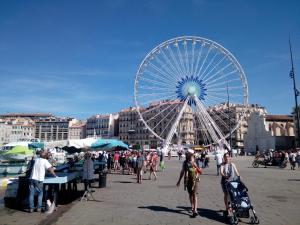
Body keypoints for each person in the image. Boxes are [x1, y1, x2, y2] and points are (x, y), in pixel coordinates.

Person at [177, 150, 202, 218]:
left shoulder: (196, 161)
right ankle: (192, 206)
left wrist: (196, 166)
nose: (188, 155)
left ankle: (195, 210)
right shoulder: (185, 163)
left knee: (194, 194)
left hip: (195, 180)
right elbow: (182, 172)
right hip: (187, 180)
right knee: (190, 194)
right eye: (187, 154)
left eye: (189, 154)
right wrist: (179, 180)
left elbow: (200, 171)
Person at [220, 153, 240, 217]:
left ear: (230, 157)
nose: (227, 158)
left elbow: (237, 172)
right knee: (226, 194)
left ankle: (232, 207)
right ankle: (227, 208)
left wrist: (239, 177)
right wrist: (225, 176)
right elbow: (221, 172)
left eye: (228, 156)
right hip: (225, 182)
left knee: (232, 195)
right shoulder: (222, 164)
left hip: (232, 182)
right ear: (224, 158)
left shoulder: (232, 164)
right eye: (226, 156)